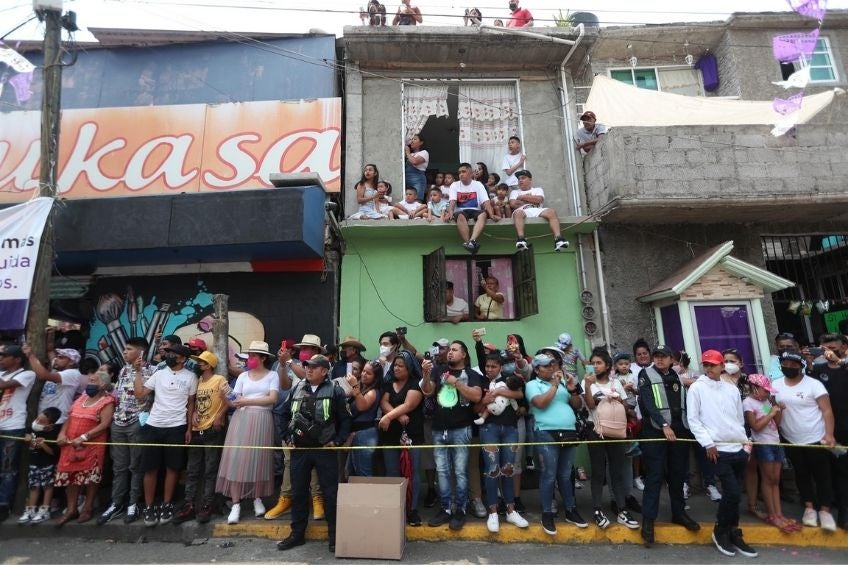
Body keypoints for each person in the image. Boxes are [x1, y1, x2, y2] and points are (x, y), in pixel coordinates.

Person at [277, 355, 352, 554]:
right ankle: (297, 534)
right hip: (300, 450)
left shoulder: (335, 391)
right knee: (299, 492)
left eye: (313, 367)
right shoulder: (297, 388)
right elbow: (283, 414)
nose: (309, 370)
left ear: (324, 371)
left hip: (324, 451)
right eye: (307, 367)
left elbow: (345, 420)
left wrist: (337, 441)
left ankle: (334, 536)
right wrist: (287, 437)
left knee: (330, 493)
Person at [687, 349, 758, 558]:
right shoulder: (696, 389)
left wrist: (745, 443)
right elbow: (694, 420)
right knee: (733, 492)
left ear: (721, 366)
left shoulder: (731, 389)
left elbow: (738, 419)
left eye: (713, 364)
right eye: (706, 365)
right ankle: (720, 531)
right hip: (717, 450)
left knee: (733, 495)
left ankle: (733, 531)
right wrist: (708, 444)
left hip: (738, 448)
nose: (709, 368)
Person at [637, 345, 700, 547]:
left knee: (678, 474)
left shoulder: (676, 377)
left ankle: (679, 513)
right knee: (654, 475)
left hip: (679, 430)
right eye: (656, 356)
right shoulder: (645, 375)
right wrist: (664, 425)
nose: (659, 360)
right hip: (655, 431)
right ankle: (648, 521)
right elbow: (647, 403)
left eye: (663, 357)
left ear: (671, 359)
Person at [772, 349, 838, 531]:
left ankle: (824, 510)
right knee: (801, 473)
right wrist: (771, 412)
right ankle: (809, 507)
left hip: (816, 437)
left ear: (801, 366)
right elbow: (769, 409)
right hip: (791, 438)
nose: (789, 367)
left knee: (822, 475)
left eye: (793, 365)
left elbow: (827, 411)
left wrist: (829, 434)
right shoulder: (775, 385)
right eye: (785, 364)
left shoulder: (814, 384)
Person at [134, 343, 197, 527]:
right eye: (168, 353)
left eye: (173, 354)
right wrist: (137, 372)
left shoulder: (191, 377)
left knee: (172, 468)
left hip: (177, 426)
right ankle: (149, 506)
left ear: (183, 358)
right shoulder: (159, 374)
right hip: (154, 425)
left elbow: (191, 404)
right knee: (150, 468)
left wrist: (188, 429)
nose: (168, 355)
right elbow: (140, 394)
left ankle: (167, 504)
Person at [422, 340, 482, 530]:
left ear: (464, 354)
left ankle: (461, 509)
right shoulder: (438, 371)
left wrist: (456, 383)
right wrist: (425, 373)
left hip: (461, 428)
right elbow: (427, 391)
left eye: (455, 350)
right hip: (439, 429)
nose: (450, 353)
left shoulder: (472, 374)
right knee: (442, 472)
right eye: (450, 350)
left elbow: (476, 396)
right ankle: (446, 508)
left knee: (460, 471)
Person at [217, 341, 278, 524]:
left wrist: (246, 401)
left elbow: (272, 399)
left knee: (259, 458)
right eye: (249, 355)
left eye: (253, 356)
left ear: (263, 358)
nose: (250, 359)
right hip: (241, 419)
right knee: (237, 460)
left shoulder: (272, 375)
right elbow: (235, 401)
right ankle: (236, 504)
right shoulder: (243, 376)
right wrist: (224, 396)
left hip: (262, 419)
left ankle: (257, 498)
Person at [525, 352, 586, 534]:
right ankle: (547, 513)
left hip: (568, 431)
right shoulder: (532, 384)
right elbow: (540, 403)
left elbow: (576, 405)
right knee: (549, 475)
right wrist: (553, 386)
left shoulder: (561, 385)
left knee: (566, 474)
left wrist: (573, 389)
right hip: (545, 432)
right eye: (547, 365)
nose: (552, 368)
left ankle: (570, 509)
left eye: (553, 365)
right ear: (537, 369)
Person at [98, 337, 154, 525]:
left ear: (141, 352)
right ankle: (116, 503)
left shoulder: (152, 371)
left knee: (136, 466)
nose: (124, 352)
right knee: (119, 466)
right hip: (118, 423)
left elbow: (145, 397)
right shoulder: (123, 370)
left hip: (137, 422)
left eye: (128, 349)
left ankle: (133, 503)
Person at [582, 349, 639, 530]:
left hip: (615, 430)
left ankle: (622, 509)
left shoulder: (616, 382)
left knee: (617, 470)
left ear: (607, 365)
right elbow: (590, 405)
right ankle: (597, 510)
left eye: (599, 363)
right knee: (598, 471)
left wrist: (614, 398)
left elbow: (624, 405)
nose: (595, 366)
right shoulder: (587, 381)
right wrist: (587, 387)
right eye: (593, 363)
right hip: (595, 430)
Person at [475, 351, 529, 532]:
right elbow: (475, 406)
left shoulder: (509, 377)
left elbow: (520, 395)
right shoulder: (480, 380)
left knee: (508, 469)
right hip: (489, 429)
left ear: (500, 367)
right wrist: (484, 399)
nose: (489, 369)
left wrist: (499, 391)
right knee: (492, 470)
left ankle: (511, 511)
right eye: (487, 366)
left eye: (493, 366)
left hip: (510, 429)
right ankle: (492, 513)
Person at [174, 351, 230, 524]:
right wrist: (195, 414)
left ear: (210, 365)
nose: (199, 364)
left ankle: (207, 504)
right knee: (192, 469)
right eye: (199, 362)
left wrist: (220, 416)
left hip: (213, 430)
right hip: (198, 429)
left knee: (210, 469)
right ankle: (189, 504)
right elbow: (195, 403)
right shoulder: (197, 381)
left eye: (203, 362)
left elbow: (230, 399)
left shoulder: (220, 380)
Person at [54, 369, 116, 526]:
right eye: (89, 381)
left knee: (90, 477)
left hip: (91, 445)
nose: (89, 384)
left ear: (103, 384)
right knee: (71, 476)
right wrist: (62, 434)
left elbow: (104, 424)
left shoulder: (107, 401)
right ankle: (71, 509)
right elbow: (70, 416)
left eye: (93, 381)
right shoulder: (81, 398)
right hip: (71, 443)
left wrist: (84, 437)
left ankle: (87, 508)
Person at [743, 374, 800, 534]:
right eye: (765, 390)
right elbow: (756, 427)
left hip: (775, 442)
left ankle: (779, 514)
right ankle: (773, 515)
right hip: (763, 444)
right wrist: (771, 413)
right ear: (754, 388)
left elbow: (776, 423)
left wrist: (778, 410)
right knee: (768, 480)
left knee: (775, 479)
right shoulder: (748, 403)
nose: (768, 393)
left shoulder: (767, 401)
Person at [379, 351, 425, 526]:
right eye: (395, 365)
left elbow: (409, 404)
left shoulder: (416, 384)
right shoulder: (388, 383)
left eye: (400, 366)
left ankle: (412, 510)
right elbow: (383, 402)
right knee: (392, 472)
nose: (396, 368)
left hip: (412, 434)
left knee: (412, 473)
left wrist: (388, 417)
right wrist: (395, 416)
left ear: (409, 368)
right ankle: (395, 509)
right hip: (390, 434)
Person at [810, 333, 848, 530]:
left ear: (842, 348)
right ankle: (841, 512)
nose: (829, 352)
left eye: (833, 348)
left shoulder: (845, 366)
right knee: (836, 472)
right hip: (829, 431)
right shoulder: (817, 370)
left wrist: (841, 362)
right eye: (825, 348)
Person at [0, 344, 37, 522]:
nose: (1, 358)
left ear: (17, 359)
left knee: (8, 468)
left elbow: (6, 385)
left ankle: (4, 504)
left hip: (13, 426)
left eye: (4, 355)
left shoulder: (26, 374)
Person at [18, 407, 62, 524]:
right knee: (33, 486)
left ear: (50, 424)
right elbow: (27, 435)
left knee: (47, 486)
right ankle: (30, 509)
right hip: (34, 462)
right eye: (37, 419)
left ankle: (45, 509)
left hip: (47, 463)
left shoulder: (54, 433)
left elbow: (53, 453)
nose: (37, 423)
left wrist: (43, 445)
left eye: (41, 422)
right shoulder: (32, 427)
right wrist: (28, 437)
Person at [508, 170, 569, 252]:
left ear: (530, 180)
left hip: (537, 210)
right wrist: (532, 199)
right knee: (518, 213)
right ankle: (521, 239)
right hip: (523, 210)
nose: (520, 180)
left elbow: (539, 199)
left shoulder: (537, 189)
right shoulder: (515, 192)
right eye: (519, 179)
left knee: (551, 212)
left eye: (523, 178)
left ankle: (558, 239)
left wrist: (522, 197)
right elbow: (512, 204)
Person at [25, 346, 82, 426]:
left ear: (71, 362)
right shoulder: (57, 369)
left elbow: (42, 375)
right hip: (42, 418)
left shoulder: (73, 374)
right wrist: (50, 345)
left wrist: (30, 355)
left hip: (57, 421)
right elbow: (51, 353)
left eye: (61, 358)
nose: (56, 359)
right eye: (57, 357)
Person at [447, 162, 496, 254]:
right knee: (460, 216)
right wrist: (450, 212)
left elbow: (486, 201)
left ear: (471, 173)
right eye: (459, 172)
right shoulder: (455, 185)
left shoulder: (478, 184)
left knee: (483, 214)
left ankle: (472, 241)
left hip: (475, 211)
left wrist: (492, 214)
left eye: (464, 172)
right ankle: (468, 242)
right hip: (461, 212)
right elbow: (452, 201)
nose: (461, 174)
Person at [346, 360, 382, 477]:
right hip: (356, 432)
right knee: (352, 470)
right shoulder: (362, 388)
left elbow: (362, 406)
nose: (363, 374)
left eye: (368, 373)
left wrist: (355, 385)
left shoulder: (373, 392)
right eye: (363, 371)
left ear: (375, 378)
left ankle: (368, 495)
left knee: (363, 471)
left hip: (365, 434)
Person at [404, 134, 429, 200]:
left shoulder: (424, 153)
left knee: (416, 200)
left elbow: (415, 161)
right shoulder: (411, 154)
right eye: (411, 139)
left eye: (414, 139)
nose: (412, 141)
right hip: (406, 180)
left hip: (417, 180)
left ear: (421, 142)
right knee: (407, 201)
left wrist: (407, 153)